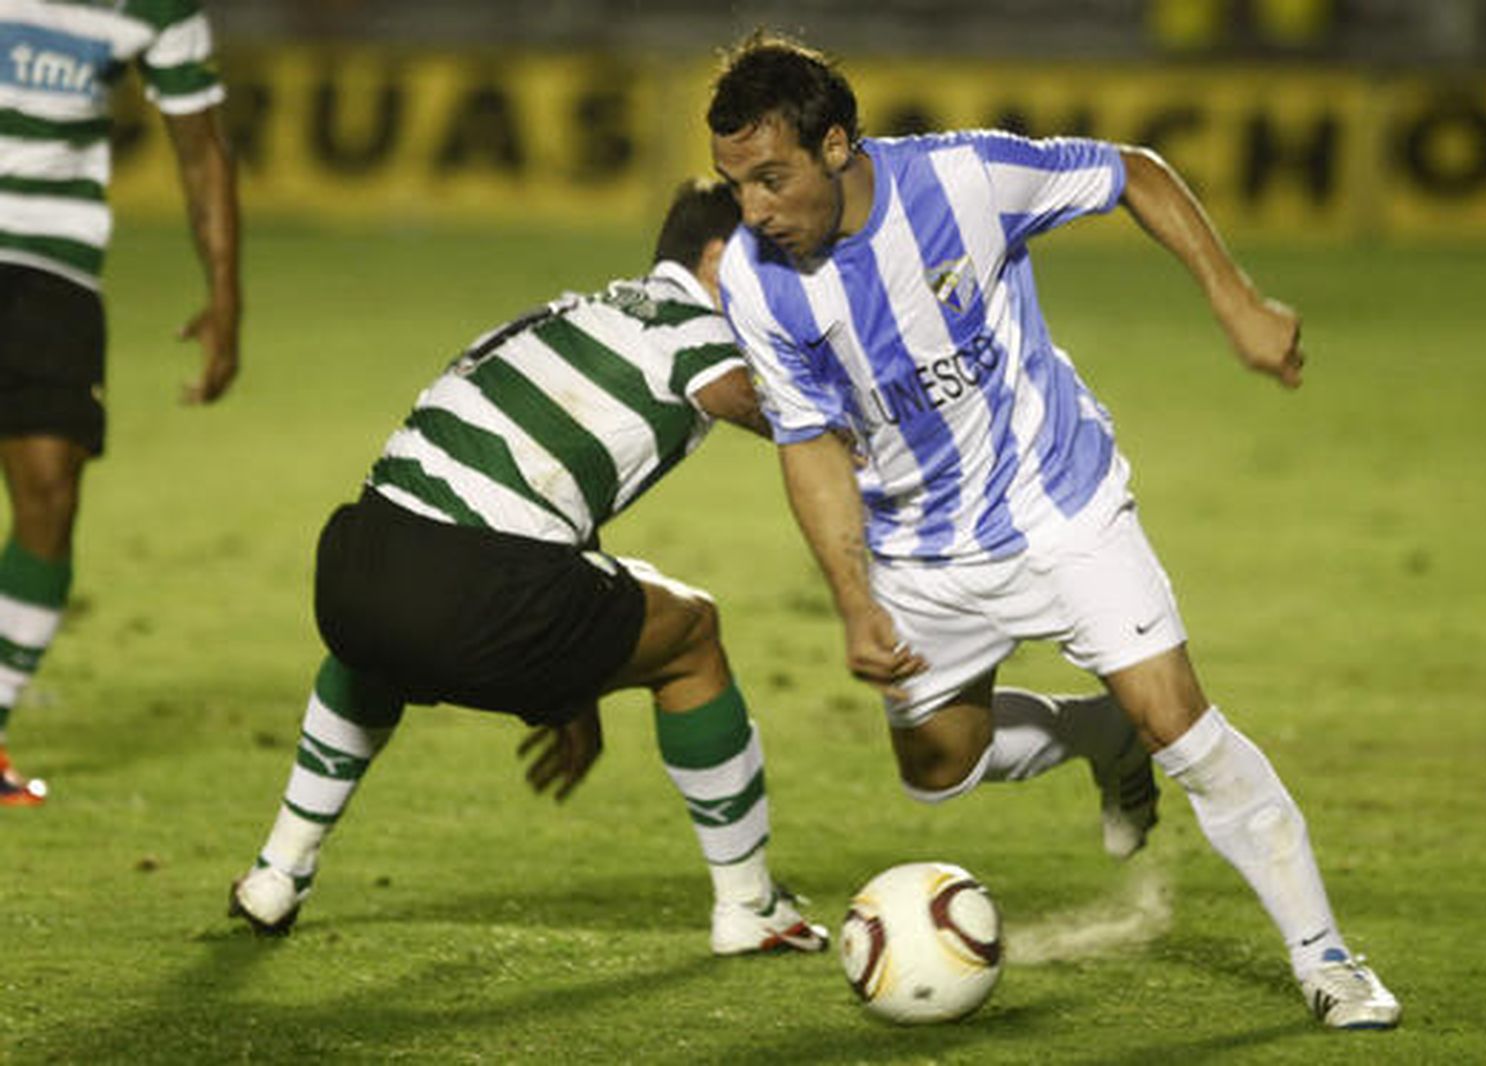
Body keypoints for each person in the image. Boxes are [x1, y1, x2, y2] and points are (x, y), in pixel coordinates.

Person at [706, 32, 1401, 1029]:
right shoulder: (753, 277)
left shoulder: (966, 177)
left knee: (1186, 729)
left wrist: (1235, 300)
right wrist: (854, 602)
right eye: (737, 187)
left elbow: (1133, 173)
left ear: (836, 145)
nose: (757, 210)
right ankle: (1095, 730)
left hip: (1058, 507)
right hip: (916, 549)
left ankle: (1328, 958)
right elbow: (809, 443)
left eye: (771, 179)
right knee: (938, 767)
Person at [229, 180, 828, 957]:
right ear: (718, 258)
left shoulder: (575, 313)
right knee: (693, 635)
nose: (792, 289)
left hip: (356, 566)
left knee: (380, 640)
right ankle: (750, 907)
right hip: (483, 591)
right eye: (778, 262)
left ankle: (278, 870)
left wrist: (571, 687)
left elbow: (517, 499)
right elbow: (748, 399)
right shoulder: (689, 319)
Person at [0, 1, 240, 806]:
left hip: (53, 271)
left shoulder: (157, 7)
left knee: (50, 489)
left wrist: (225, 298)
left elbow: (201, 150)